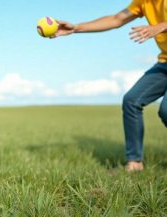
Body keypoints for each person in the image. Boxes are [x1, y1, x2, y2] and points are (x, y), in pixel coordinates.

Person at [53, 0, 167, 172]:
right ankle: (135, 163)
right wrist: (76, 28)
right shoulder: (144, 1)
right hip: (164, 62)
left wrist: (161, 26)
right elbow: (116, 19)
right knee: (132, 101)